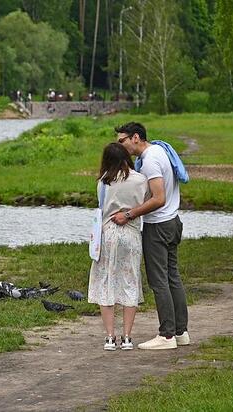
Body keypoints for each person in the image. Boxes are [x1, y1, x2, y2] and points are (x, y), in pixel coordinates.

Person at [112, 122, 189, 350]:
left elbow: (158, 198)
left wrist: (129, 214)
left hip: (159, 226)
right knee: (172, 277)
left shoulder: (151, 160)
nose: (121, 145)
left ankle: (166, 336)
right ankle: (180, 332)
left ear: (135, 137)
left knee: (159, 281)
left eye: (122, 140)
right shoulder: (159, 150)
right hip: (172, 222)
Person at [88, 143, 148, 351]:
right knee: (130, 280)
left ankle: (110, 337)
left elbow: (101, 207)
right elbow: (145, 202)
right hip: (130, 234)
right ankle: (128, 337)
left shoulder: (104, 181)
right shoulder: (140, 179)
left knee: (107, 282)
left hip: (108, 235)